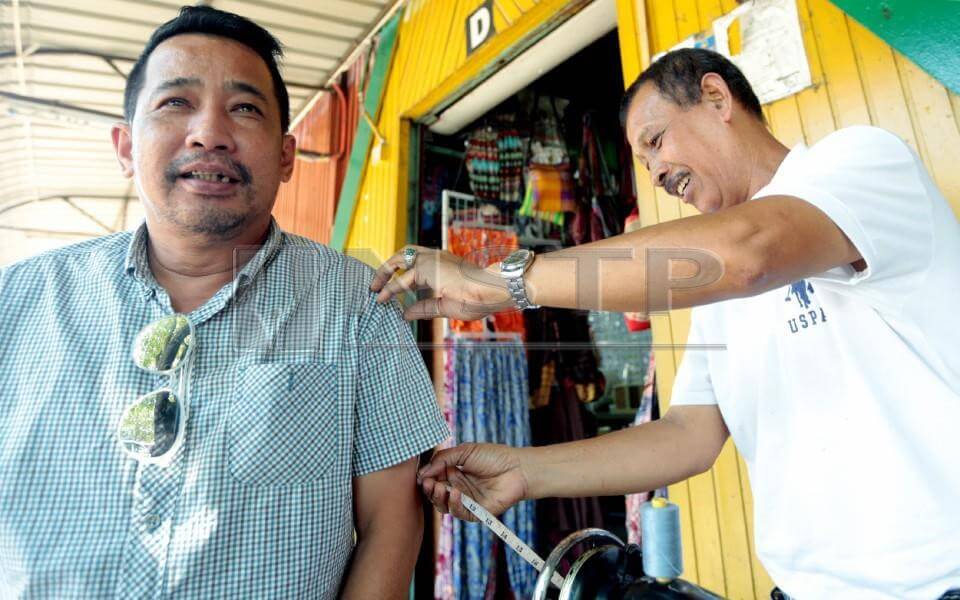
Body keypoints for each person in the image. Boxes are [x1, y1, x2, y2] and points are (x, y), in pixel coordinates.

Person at [371, 48, 960, 598]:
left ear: (716, 97)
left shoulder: (859, 163)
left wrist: (492, 283)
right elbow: (688, 435)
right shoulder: (719, 287)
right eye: (643, 160)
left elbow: (747, 253)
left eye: (655, 140)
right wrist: (525, 471)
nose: (653, 172)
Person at [0, 6, 447, 599]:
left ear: (287, 156)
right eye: (176, 103)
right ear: (126, 147)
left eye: (244, 108)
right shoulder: (18, 299)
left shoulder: (359, 304)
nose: (209, 133)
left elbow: (392, 523)